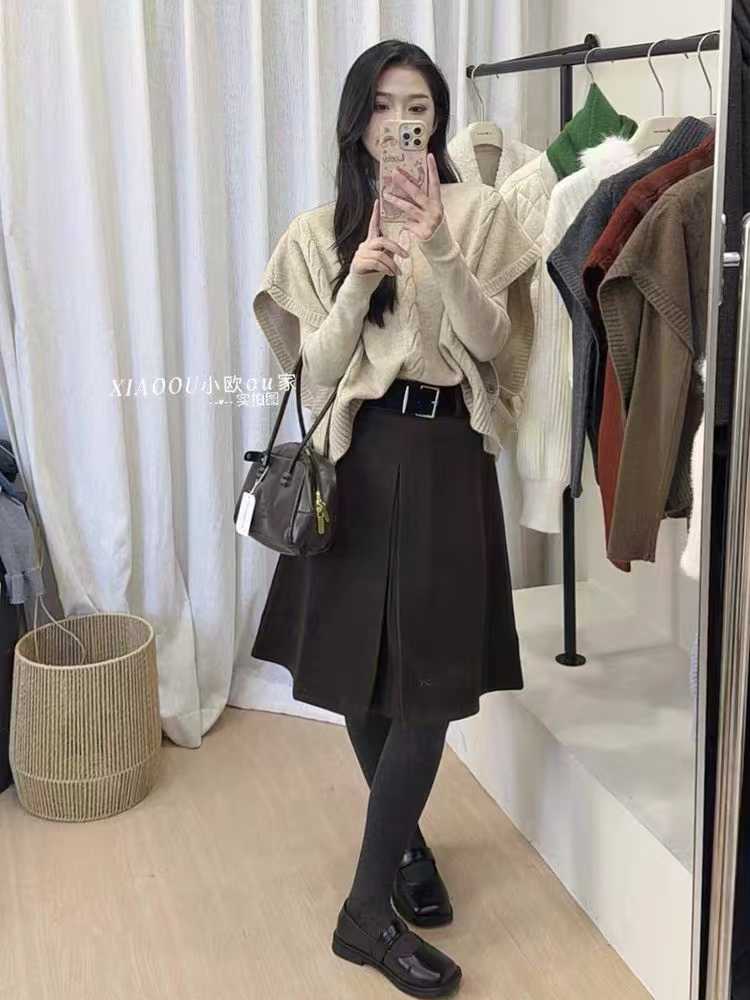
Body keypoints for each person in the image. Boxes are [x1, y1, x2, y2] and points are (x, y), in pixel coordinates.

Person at [251, 38, 534, 998]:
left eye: (418, 106)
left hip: (447, 453)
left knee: (428, 689)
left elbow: (493, 341)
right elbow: (317, 375)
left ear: (438, 119)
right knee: (363, 681)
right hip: (359, 459)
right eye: (382, 105)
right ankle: (403, 846)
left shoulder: (480, 213)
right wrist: (364, 275)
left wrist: (439, 248)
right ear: (356, 120)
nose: (400, 123)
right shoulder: (317, 231)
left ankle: (364, 909)